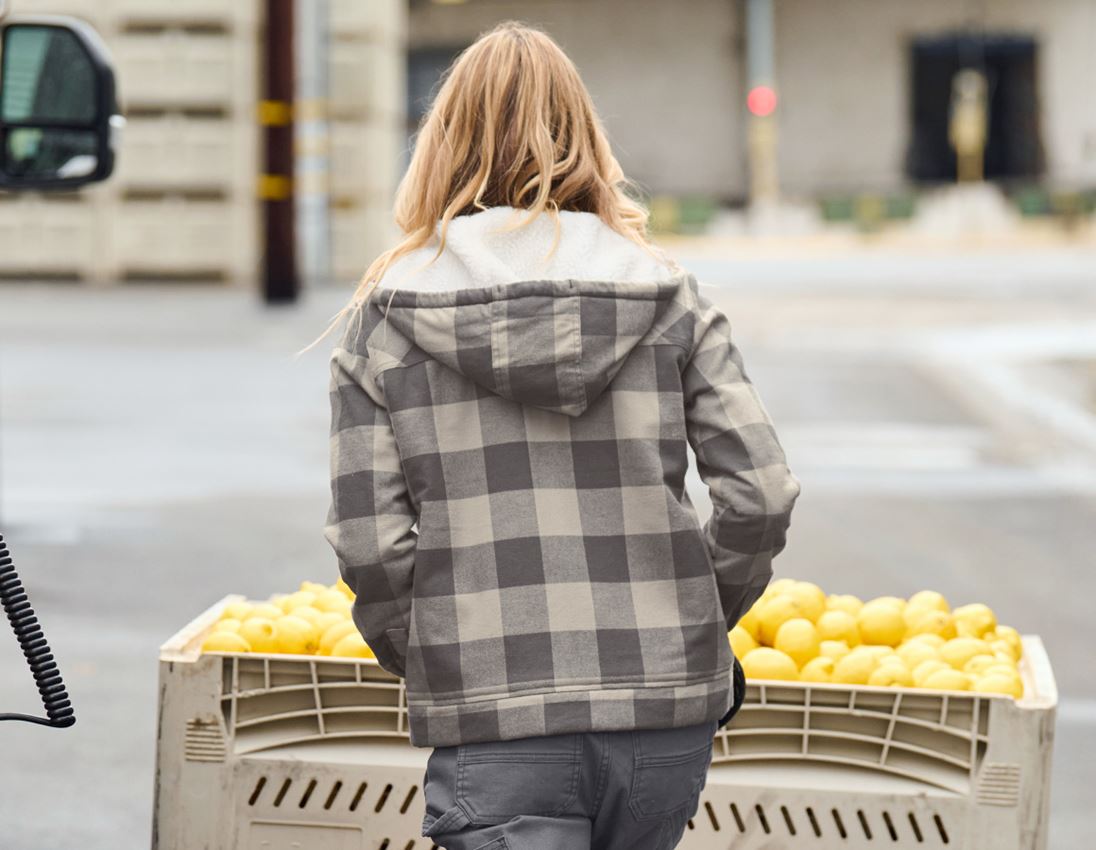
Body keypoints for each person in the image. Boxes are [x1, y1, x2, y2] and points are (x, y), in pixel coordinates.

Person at [313, 20, 800, 850]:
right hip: (662, 717)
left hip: (493, 720)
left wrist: (435, 653)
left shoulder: (388, 319)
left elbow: (371, 543)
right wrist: (690, 616)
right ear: (586, 138)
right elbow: (760, 493)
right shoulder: (670, 297)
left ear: (441, 144)